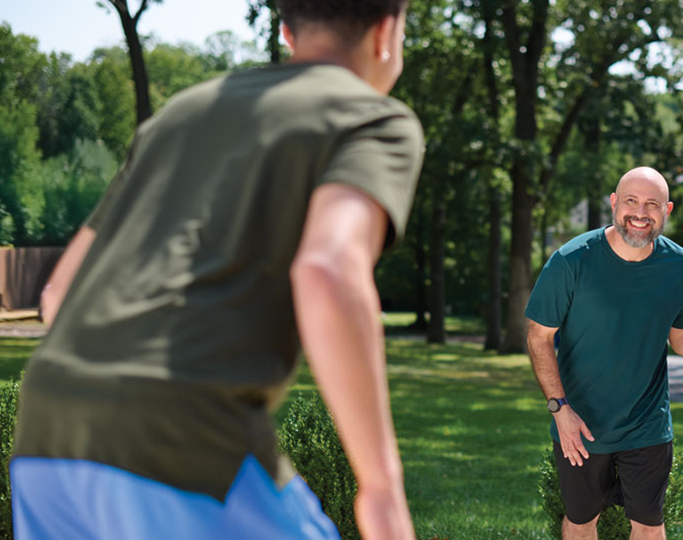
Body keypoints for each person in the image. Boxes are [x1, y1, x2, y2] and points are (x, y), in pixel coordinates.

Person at [11, 1, 421, 539]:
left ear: (287, 30)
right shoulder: (371, 118)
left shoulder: (181, 113)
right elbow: (328, 269)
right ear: (388, 31)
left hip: (47, 433)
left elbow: (61, 290)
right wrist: (382, 489)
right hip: (184, 435)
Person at [525, 167, 683, 540]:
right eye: (631, 201)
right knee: (580, 522)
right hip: (582, 424)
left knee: (650, 525)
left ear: (667, 210)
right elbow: (538, 336)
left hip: (648, 424)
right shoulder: (572, 260)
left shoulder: (678, 266)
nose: (640, 213)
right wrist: (560, 410)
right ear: (613, 203)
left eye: (652, 204)